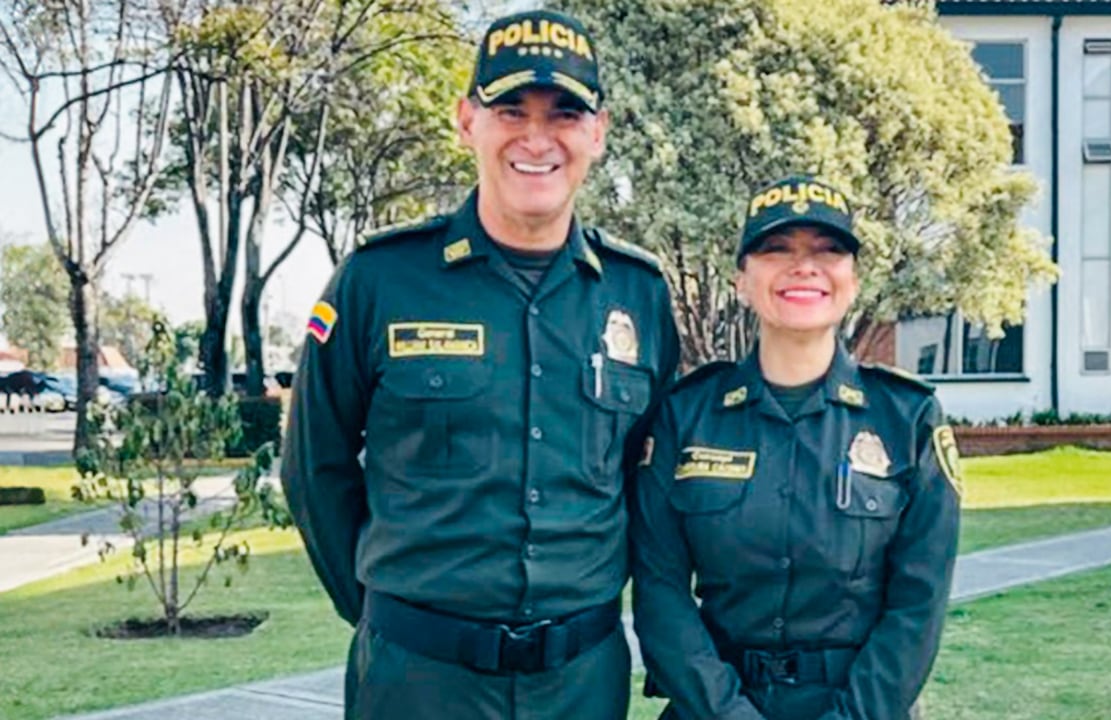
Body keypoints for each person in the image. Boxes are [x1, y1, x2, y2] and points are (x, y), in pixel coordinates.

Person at [281, 9, 680, 719]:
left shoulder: (638, 293)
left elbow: (644, 475)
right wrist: (386, 613)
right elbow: (316, 466)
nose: (537, 137)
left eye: (564, 113)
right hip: (417, 680)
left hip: (581, 683)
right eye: (509, 109)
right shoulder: (378, 281)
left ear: (598, 132)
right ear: (467, 120)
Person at [631, 175, 962, 720]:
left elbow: (916, 609)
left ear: (853, 280)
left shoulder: (908, 419)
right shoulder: (685, 415)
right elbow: (658, 590)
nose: (803, 266)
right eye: (776, 249)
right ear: (741, 279)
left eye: (828, 250)